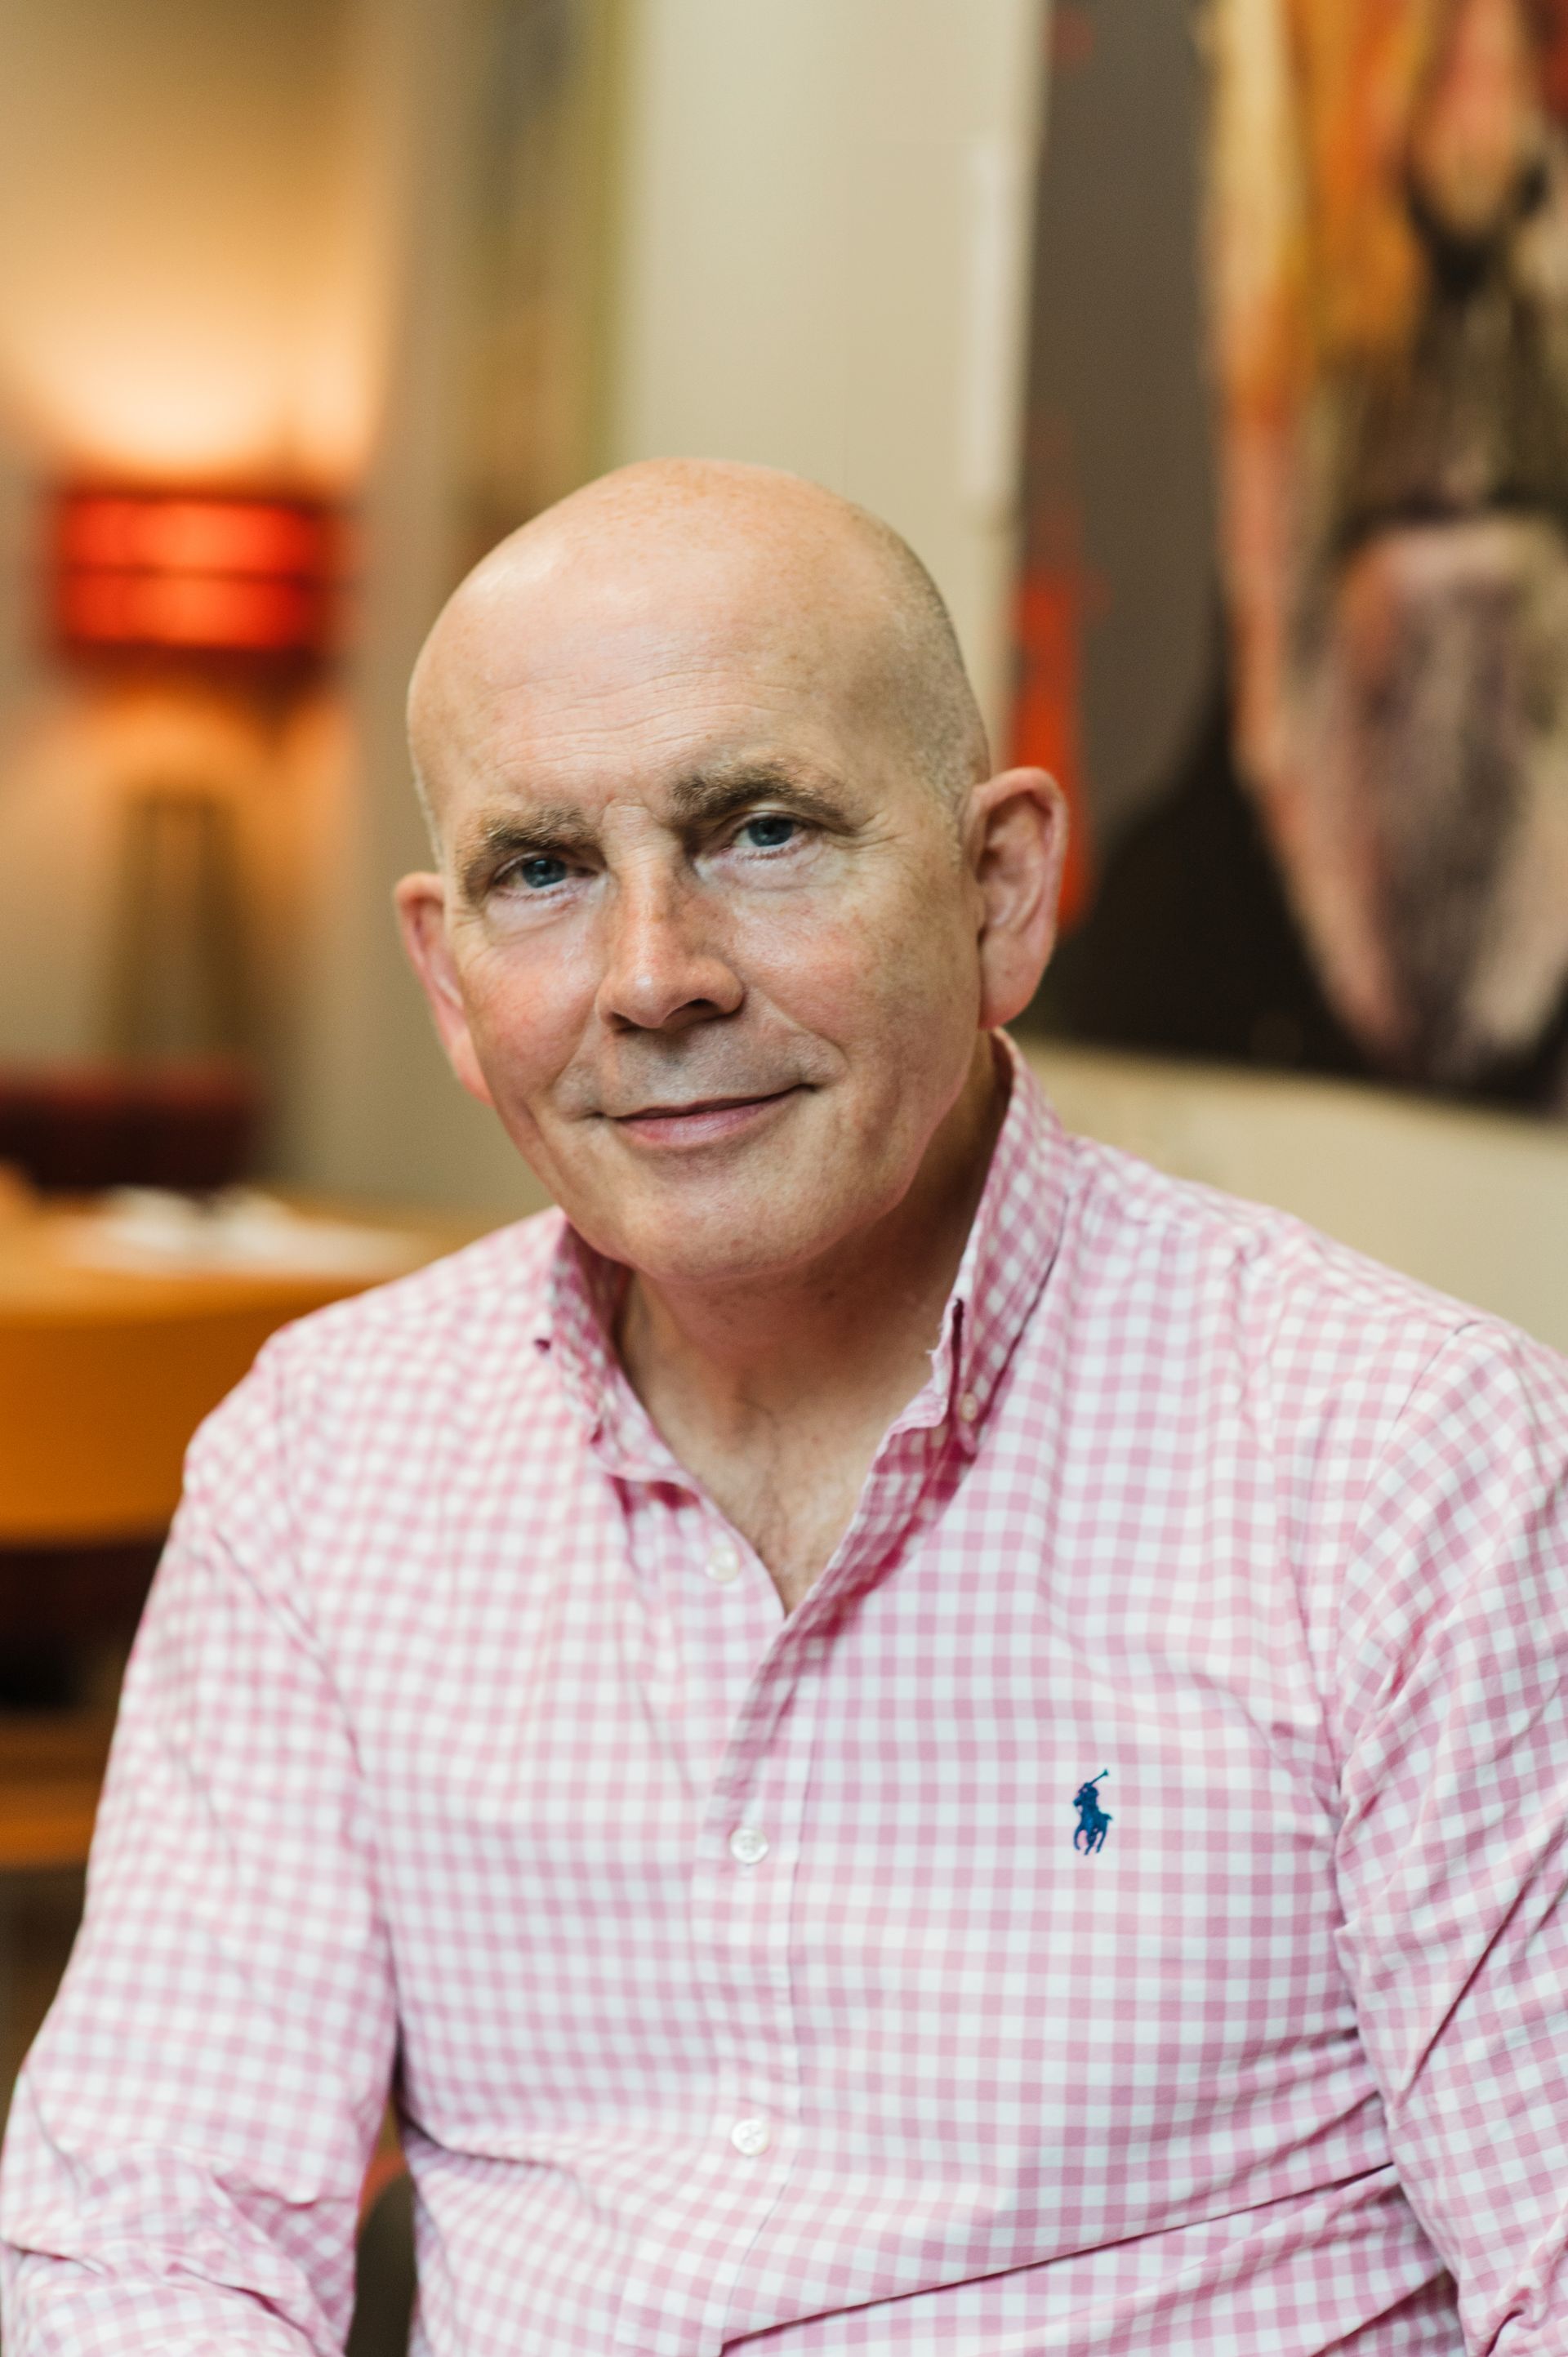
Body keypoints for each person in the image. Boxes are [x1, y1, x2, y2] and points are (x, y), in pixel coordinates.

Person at [4, 459, 1568, 2357]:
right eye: (543, 872)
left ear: (1001, 892)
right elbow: (151, 2231)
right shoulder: (322, 1465)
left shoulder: (1413, 1467)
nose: (654, 978)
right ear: (444, 970)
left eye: (760, 831)